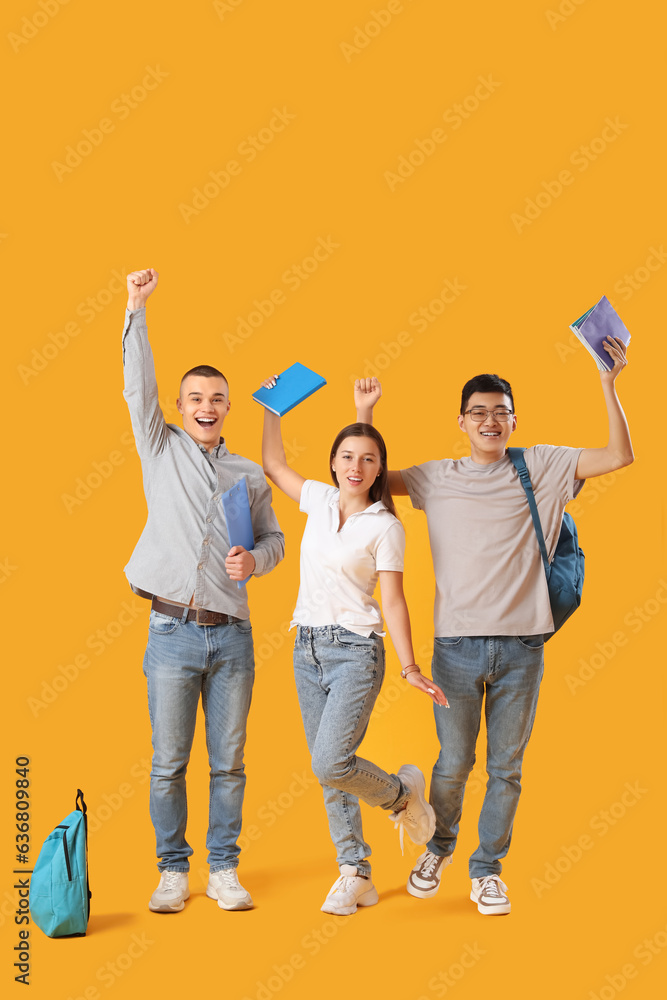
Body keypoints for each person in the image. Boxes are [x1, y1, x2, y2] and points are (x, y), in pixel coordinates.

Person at [357, 337, 633, 915]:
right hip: (455, 649)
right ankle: (440, 847)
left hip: (522, 649)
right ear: (461, 421)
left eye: (500, 412)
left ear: (514, 420)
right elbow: (368, 482)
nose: (490, 420)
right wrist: (364, 417)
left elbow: (617, 455)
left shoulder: (544, 466)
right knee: (453, 763)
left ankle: (487, 869)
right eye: (478, 411)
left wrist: (608, 383)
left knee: (506, 767)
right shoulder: (437, 477)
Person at [122, 269, 284, 914]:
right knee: (168, 764)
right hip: (170, 633)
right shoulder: (160, 448)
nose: (206, 405)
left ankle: (222, 869)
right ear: (182, 406)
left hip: (233, 637)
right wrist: (136, 309)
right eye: (195, 397)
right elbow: (139, 388)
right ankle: (171, 870)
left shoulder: (248, 473)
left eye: (216, 397)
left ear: (227, 406)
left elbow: (275, 540)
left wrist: (258, 561)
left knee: (229, 764)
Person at [260, 374, 448, 915]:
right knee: (330, 769)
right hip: (306, 648)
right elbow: (274, 464)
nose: (356, 466)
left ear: (379, 470)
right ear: (334, 462)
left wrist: (410, 665)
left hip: (355, 653)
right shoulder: (318, 500)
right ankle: (355, 871)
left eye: (368, 460)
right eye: (347, 456)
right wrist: (274, 405)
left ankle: (402, 797)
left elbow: (393, 601)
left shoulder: (385, 526)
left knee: (329, 762)